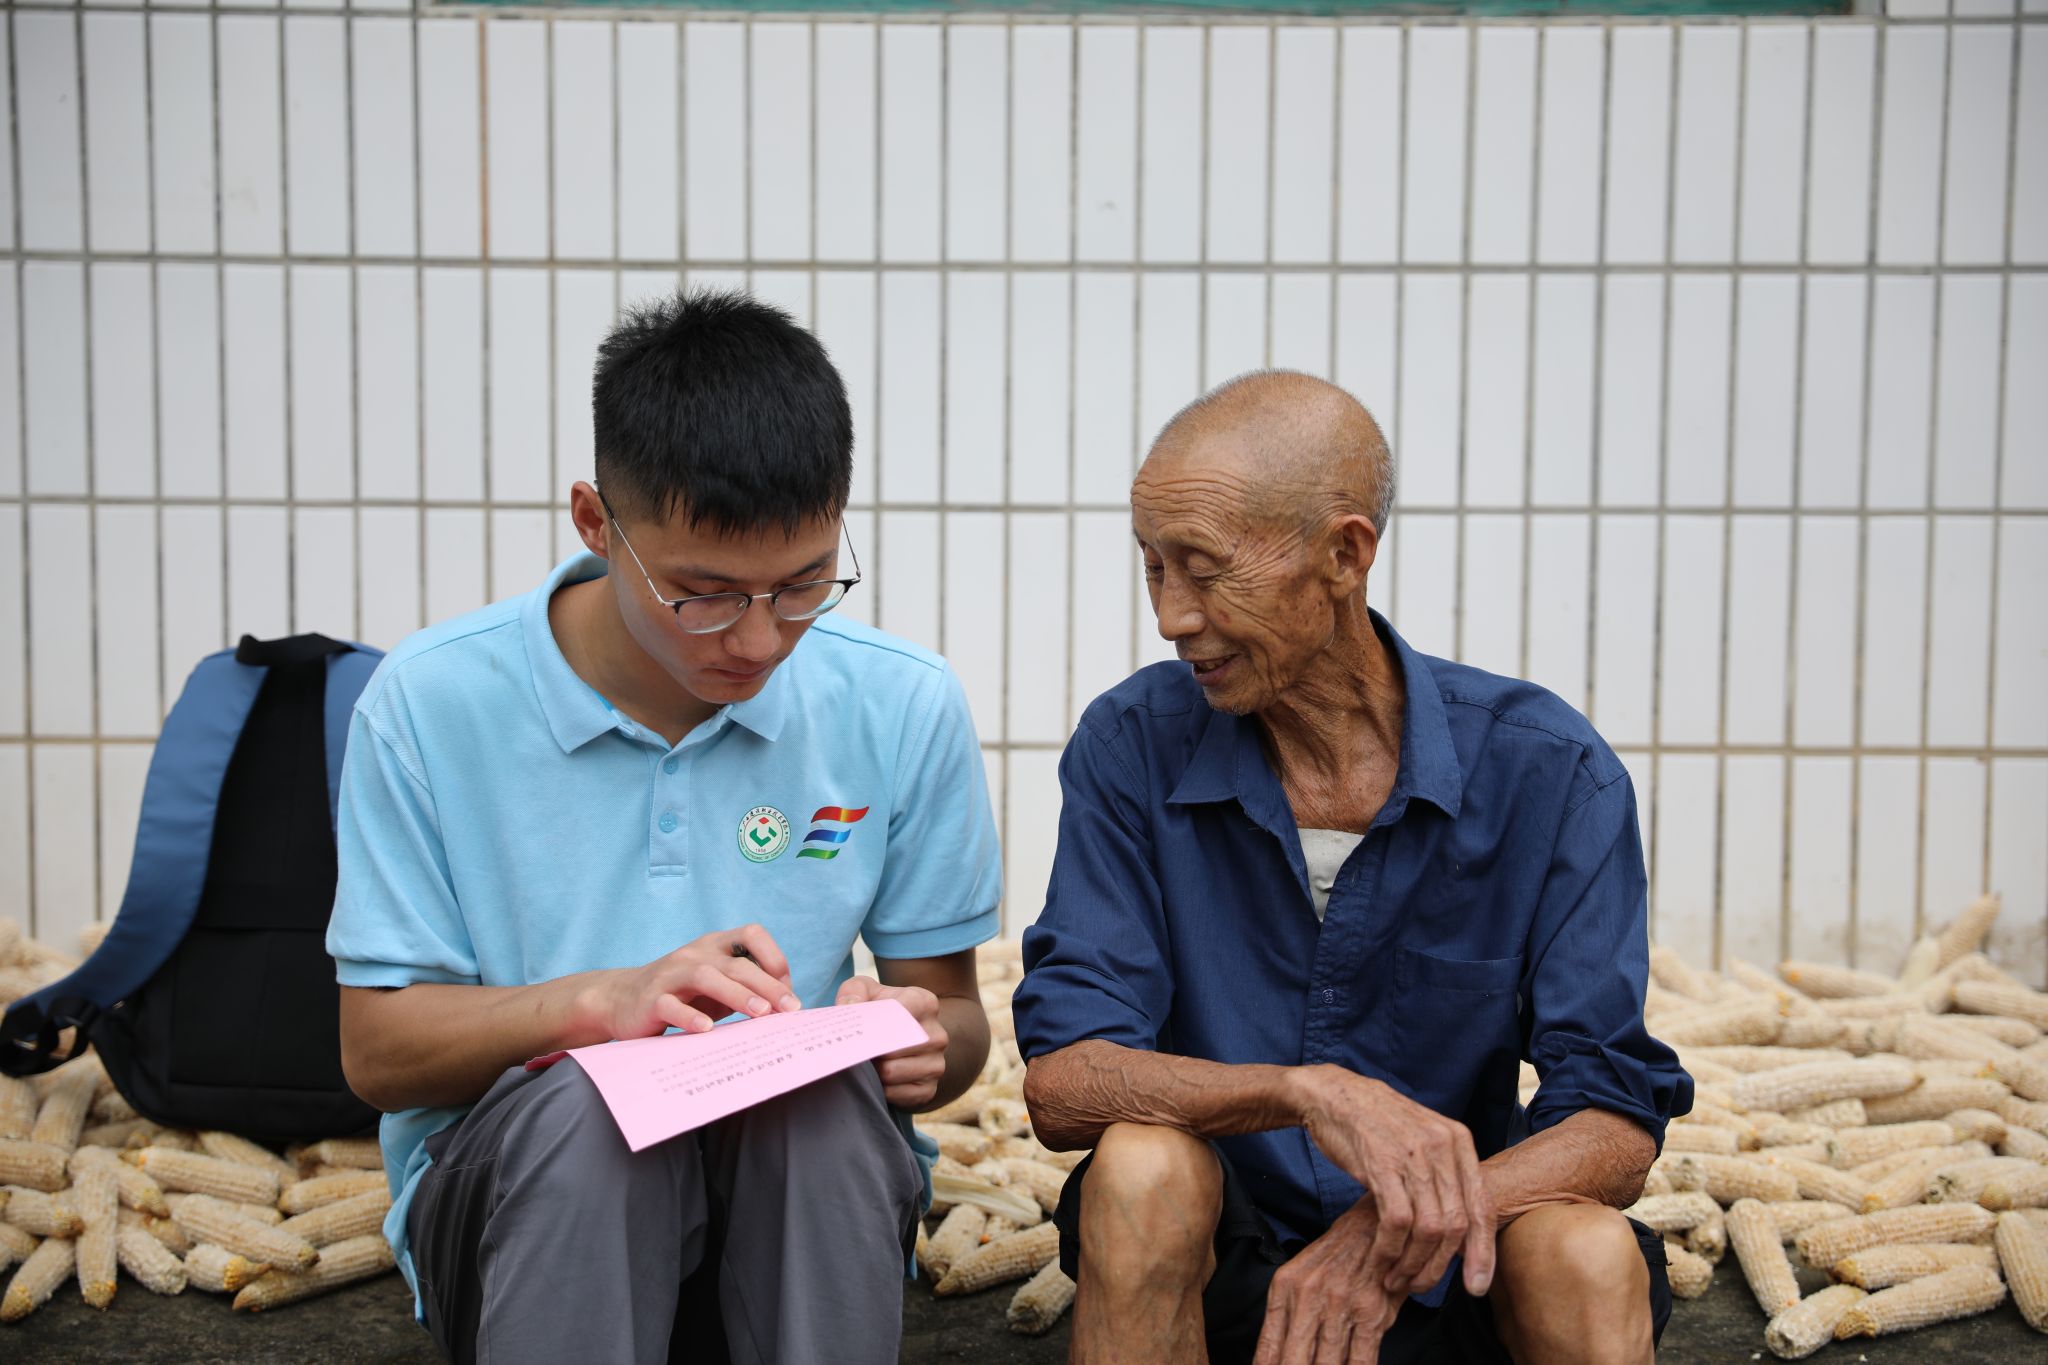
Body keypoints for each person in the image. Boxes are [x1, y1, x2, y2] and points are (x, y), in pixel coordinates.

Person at [328, 289, 1002, 1364]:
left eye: (803, 585)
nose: (758, 638)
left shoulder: (900, 702)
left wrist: (917, 1042)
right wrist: (603, 1006)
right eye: (703, 593)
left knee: (819, 1110)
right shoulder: (430, 703)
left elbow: (958, 1021)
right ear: (596, 523)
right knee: (595, 1114)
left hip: (800, 1209)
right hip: (528, 1214)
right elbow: (377, 1050)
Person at [1012, 371, 1692, 1365]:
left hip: (1448, 1266)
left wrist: (1397, 1228)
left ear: (1343, 555)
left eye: (1201, 570)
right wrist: (1302, 1091)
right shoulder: (1131, 744)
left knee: (1583, 1250)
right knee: (1140, 1171)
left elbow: (1614, 1122)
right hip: (1221, 1263)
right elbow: (1064, 1083)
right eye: (1151, 567)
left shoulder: (1545, 770)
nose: (1168, 615)